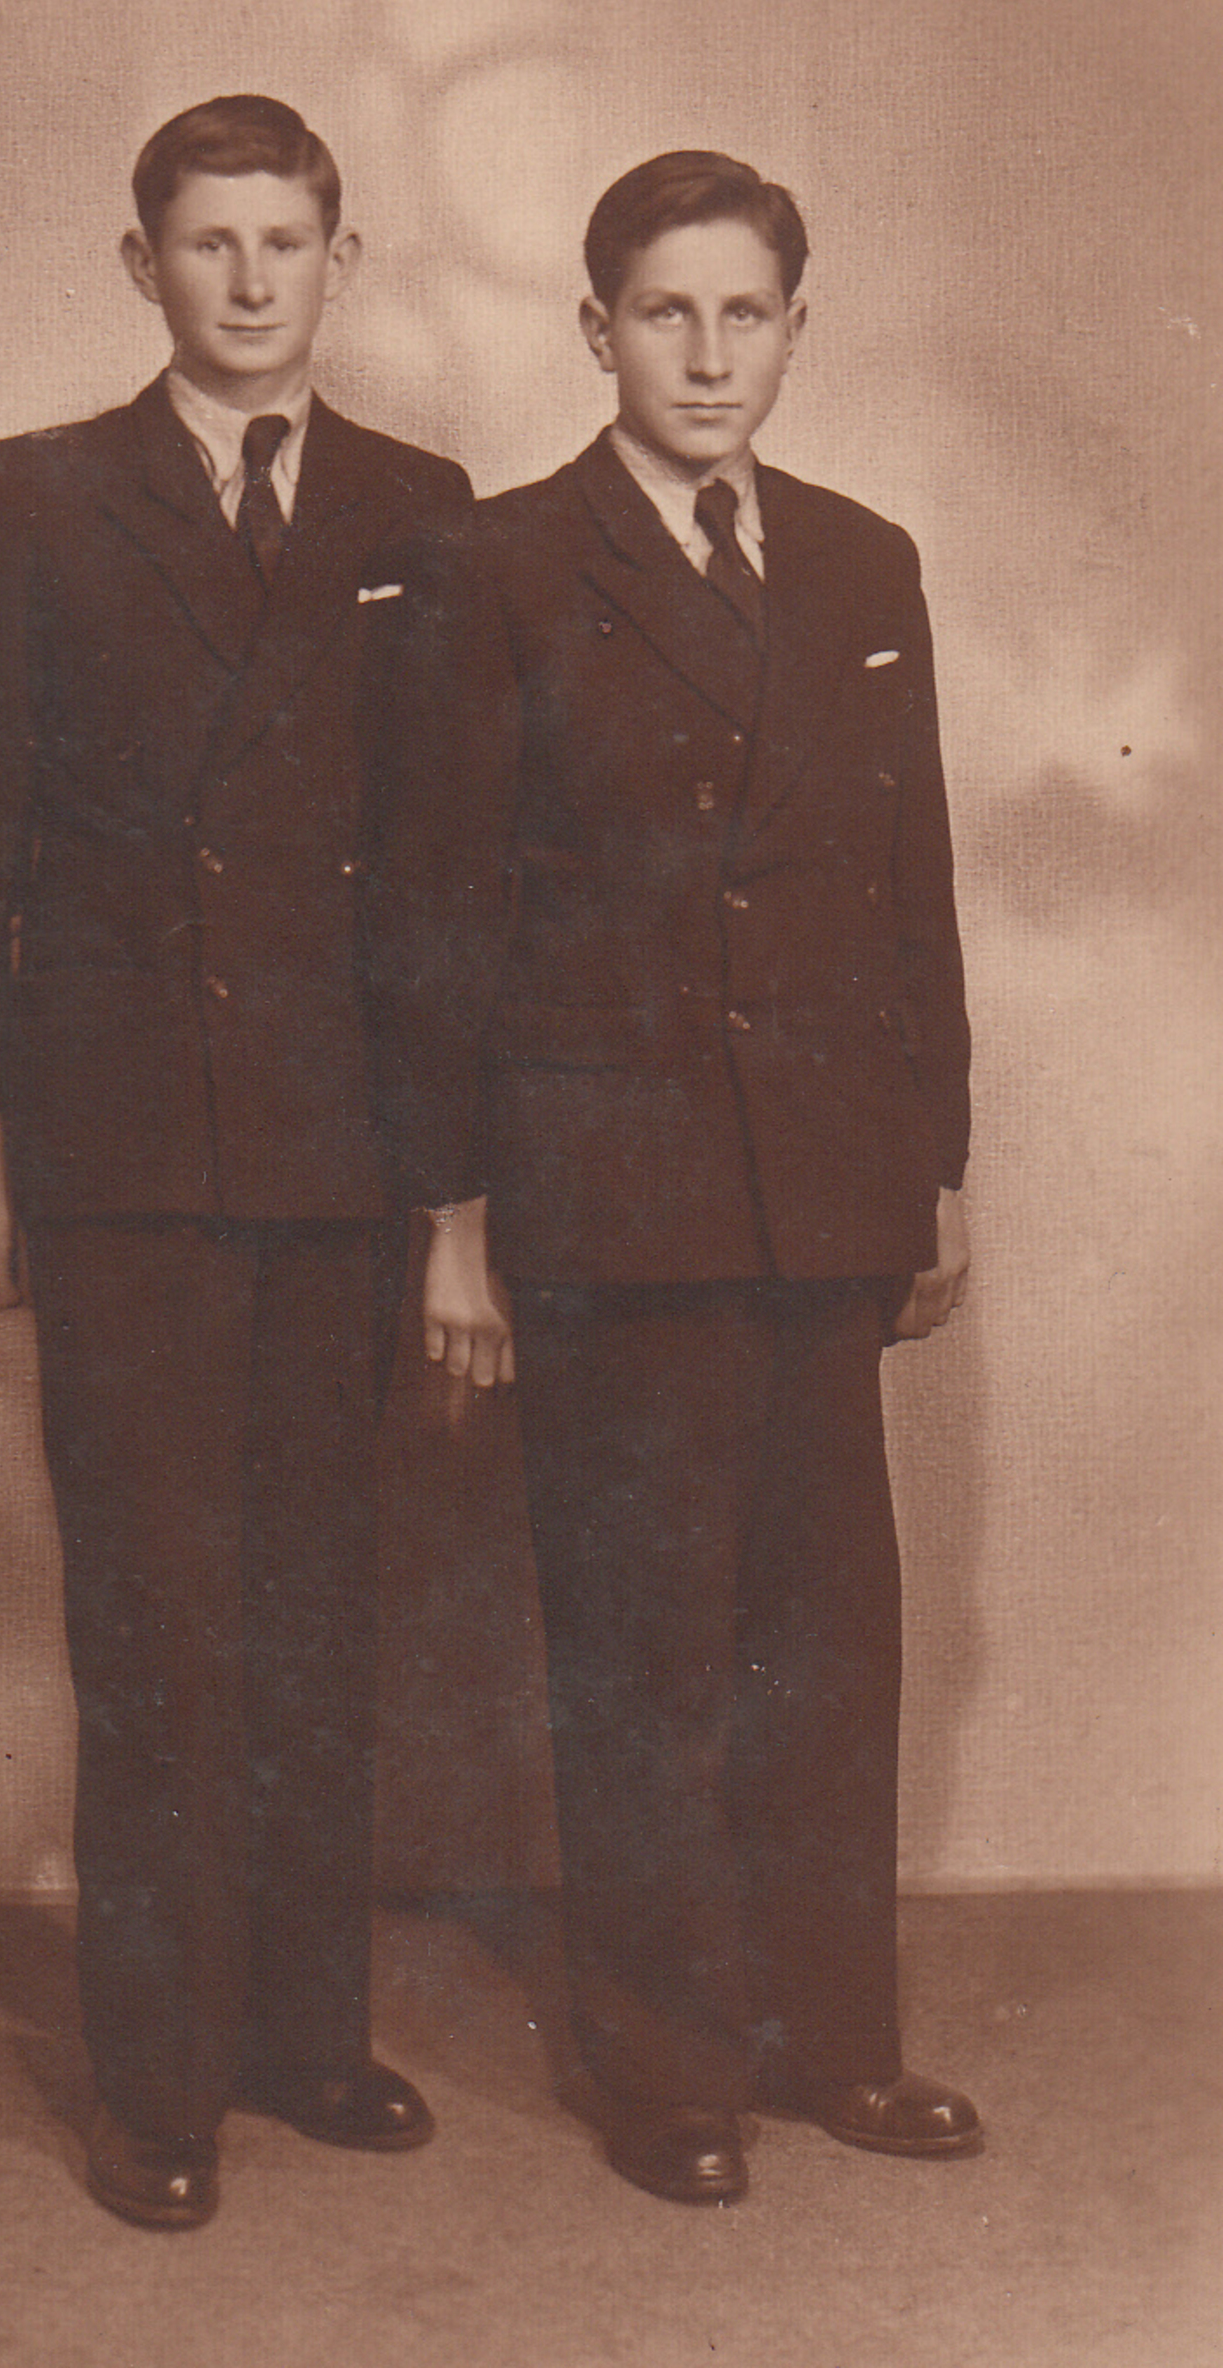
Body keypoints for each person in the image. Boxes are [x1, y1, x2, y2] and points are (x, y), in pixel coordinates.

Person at [369, 151, 980, 2205]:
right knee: (642, 1647)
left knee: (828, 1639)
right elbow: (439, 909)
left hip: (823, 1182)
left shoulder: (864, 560)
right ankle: (670, 2067)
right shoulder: (501, 563)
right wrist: (455, 1211)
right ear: (595, 330)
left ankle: (838, 2045)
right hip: (608, 1185)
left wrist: (935, 1162)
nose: (708, 356)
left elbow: (909, 884)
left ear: (796, 330)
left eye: (745, 315)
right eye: (665, 314)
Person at [0, 94, 472, 2230]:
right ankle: (158, 2082)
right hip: (121, 1149)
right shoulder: (40, 495)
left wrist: (450, 1189)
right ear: (140, 267)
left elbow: (440, 875)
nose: (249, 280)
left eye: (284, 241)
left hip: (336, 1151)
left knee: (318, 1610)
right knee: (157, 1620)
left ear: (343, 259)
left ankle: (302, 2034)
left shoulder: (419, 507)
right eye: (208, 243)